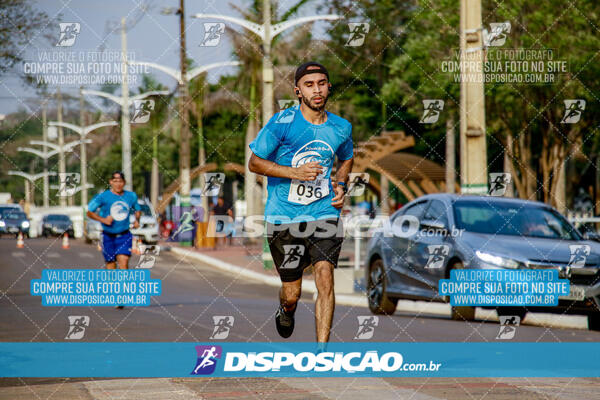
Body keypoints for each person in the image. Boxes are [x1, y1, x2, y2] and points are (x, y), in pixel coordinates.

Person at [248, 61, 354, 351]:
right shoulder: (282, 123)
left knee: (325, 276)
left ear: (328, 87)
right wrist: (294, 172)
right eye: (309, 85)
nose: (317, 89)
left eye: (321, 83)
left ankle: (322, 352)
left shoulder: (341, 127)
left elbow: (346, 157)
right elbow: (254, 162)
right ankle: (287, 310)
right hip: (284, 218)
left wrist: (341, 185)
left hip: (324, 214)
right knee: (292, 292)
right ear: (297, 91)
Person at [86, 171, 141, 309]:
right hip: (108, 235)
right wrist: (102, 219)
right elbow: (89, 212)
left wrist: (137, 220)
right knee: (110, 265)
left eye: (120, 181)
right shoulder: (103, 197)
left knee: (123, 261)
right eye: (115, 181)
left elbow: (137, 209)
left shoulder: (131, 196)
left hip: (124, 234)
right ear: (110, 182)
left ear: (124, 183)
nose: (118, 183)